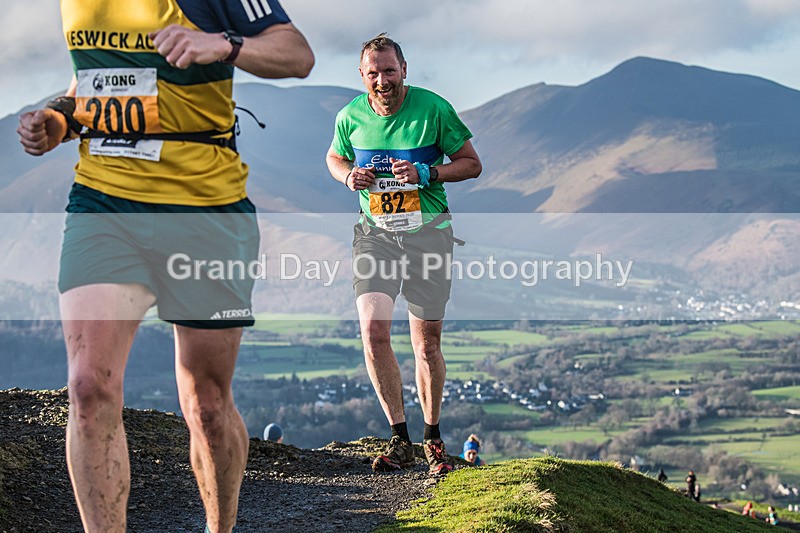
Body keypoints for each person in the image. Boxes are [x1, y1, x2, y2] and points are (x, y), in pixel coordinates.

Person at [17, 2, 313, 532]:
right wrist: (60, 117)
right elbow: (93, 79)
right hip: (103, 203)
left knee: (206, 404)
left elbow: (298, 55)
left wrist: (225, 44)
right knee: (89, 387)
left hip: (204, 211)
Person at [325, 34, 481, 475]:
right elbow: (334, 158)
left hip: (428, 234)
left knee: (426, 342)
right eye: (372, 73)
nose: (382, 80)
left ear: (404, 70)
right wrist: (347, 176)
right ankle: (400, 439)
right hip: (375, 235)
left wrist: (427, 172)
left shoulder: (433, 108)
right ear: (362, 76)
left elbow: (471, 162)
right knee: (374, 334)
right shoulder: (349, 116)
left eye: (389, 71)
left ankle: (432, 437)